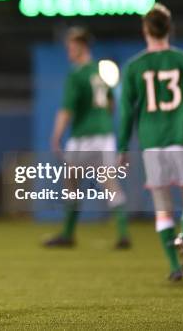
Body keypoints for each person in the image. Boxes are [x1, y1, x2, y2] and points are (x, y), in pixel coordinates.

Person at [118, 3, 183, 281]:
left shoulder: (135, 66)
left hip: (151, 145)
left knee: (162, 208)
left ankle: (174, 266)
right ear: (169, 28)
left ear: (145, 29)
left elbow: (127, 111)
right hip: (178, 140)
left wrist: (123, 146)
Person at [45, 28, 130, 249]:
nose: (69, 52)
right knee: (109, 183)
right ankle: (123, 234)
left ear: (82, 47)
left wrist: (56, 135)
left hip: (83, 136)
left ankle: (68, 233)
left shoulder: (77, 73)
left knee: (71, 182)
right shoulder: (102, 71)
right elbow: (112, 104)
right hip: (105, 134)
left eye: (71, 47)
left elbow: (66, 110)